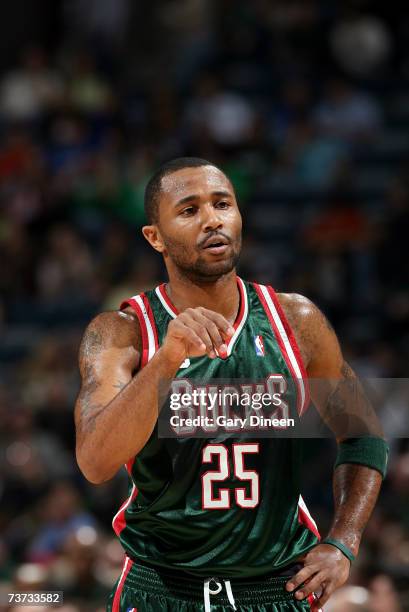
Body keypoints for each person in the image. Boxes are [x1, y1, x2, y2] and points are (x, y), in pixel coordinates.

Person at [74, 158, 388, 611]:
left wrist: (344, 541)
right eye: (189, 210)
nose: (212, 220)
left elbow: (364, 434)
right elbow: (95, 461)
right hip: (163, 588)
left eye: (223, 204)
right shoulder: (122, 332)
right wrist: (166, 360)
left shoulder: (296, 321)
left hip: (277, 588)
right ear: (154, 237)